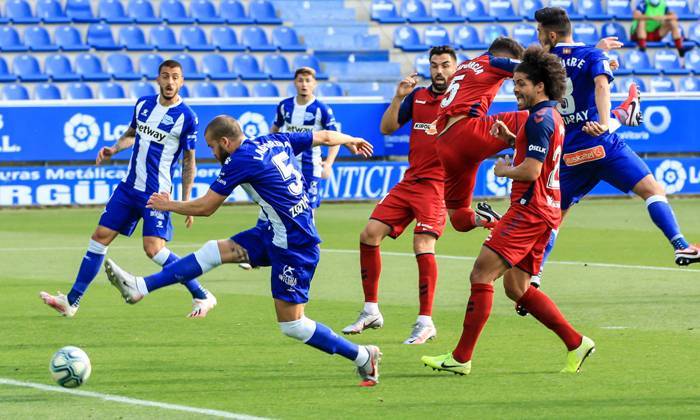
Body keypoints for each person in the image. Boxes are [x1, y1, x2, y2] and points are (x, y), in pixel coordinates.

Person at [102, 116, 383, 387]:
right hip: (273, 232)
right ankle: (141, 287)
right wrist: (351, 140)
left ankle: (362, 355)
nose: (212, 153)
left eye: (212, 147)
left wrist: (168, 204)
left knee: (293, 325)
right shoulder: (274, 140)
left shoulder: (240, 160)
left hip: (294, 244)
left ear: (225, 142)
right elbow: (324, 137)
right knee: (215, 250)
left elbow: (206, 208)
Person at [422, 46, 594, 376]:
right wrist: (512, 137)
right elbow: (539, 156)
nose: (515, 89)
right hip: (546, 211)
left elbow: (530, 171)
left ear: (540, 86)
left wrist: (503, 172)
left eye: (521, 84)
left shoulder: (539, 119)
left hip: (530, 210)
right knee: (516, 289)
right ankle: (576, 342)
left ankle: (460, 358)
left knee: (480, 274)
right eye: (514, 83)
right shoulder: (549, 117)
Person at [532, 6, 699, 290]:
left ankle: (535, 275)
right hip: (601, 144)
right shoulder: (592, 55)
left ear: (550, 34)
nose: (537, 37)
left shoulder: (543, 65)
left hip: (569, 153)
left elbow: (566, 74)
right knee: (652, 191)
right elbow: (600, 84)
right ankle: (680, 244)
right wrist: (603, 120)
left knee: (555, 219)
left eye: (538, 32)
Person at [40, 60, 216, 318]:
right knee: (99, 237)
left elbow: (189, 160)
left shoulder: (187, 117)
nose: (169, 82)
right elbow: (133, 134)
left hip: (156, 194)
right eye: (165, 76)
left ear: (182, 81)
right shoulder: (144, 104)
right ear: (158, 79)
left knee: (154, 249)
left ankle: (201, 294)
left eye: (175, 77)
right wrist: (114, 148)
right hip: (129, 187)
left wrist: (187, 202)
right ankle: (72, 301)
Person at [342, 46, 457, 344]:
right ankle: (370, 311)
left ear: (455, 68)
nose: (440, 71)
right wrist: (398, 97)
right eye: (434, 66)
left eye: (445, 65)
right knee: (369, 234)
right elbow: (387, 128)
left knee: (422, 242)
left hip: (437, 184)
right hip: (410, 181)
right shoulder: (418, 97)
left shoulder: (462, 99)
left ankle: (425, 321)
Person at [238, 67, 340, 271]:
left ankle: (307, 251)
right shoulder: (285, 107)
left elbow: (334, 137)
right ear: (295, 82)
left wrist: (328, 163)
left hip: (310, 168)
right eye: (300, 80)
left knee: (307, 209)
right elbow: (274, 131)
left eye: (308, 80)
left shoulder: (322, 109)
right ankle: (254, 252)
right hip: (285, 165)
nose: (304, 84)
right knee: (270, 203)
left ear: (314, 84)